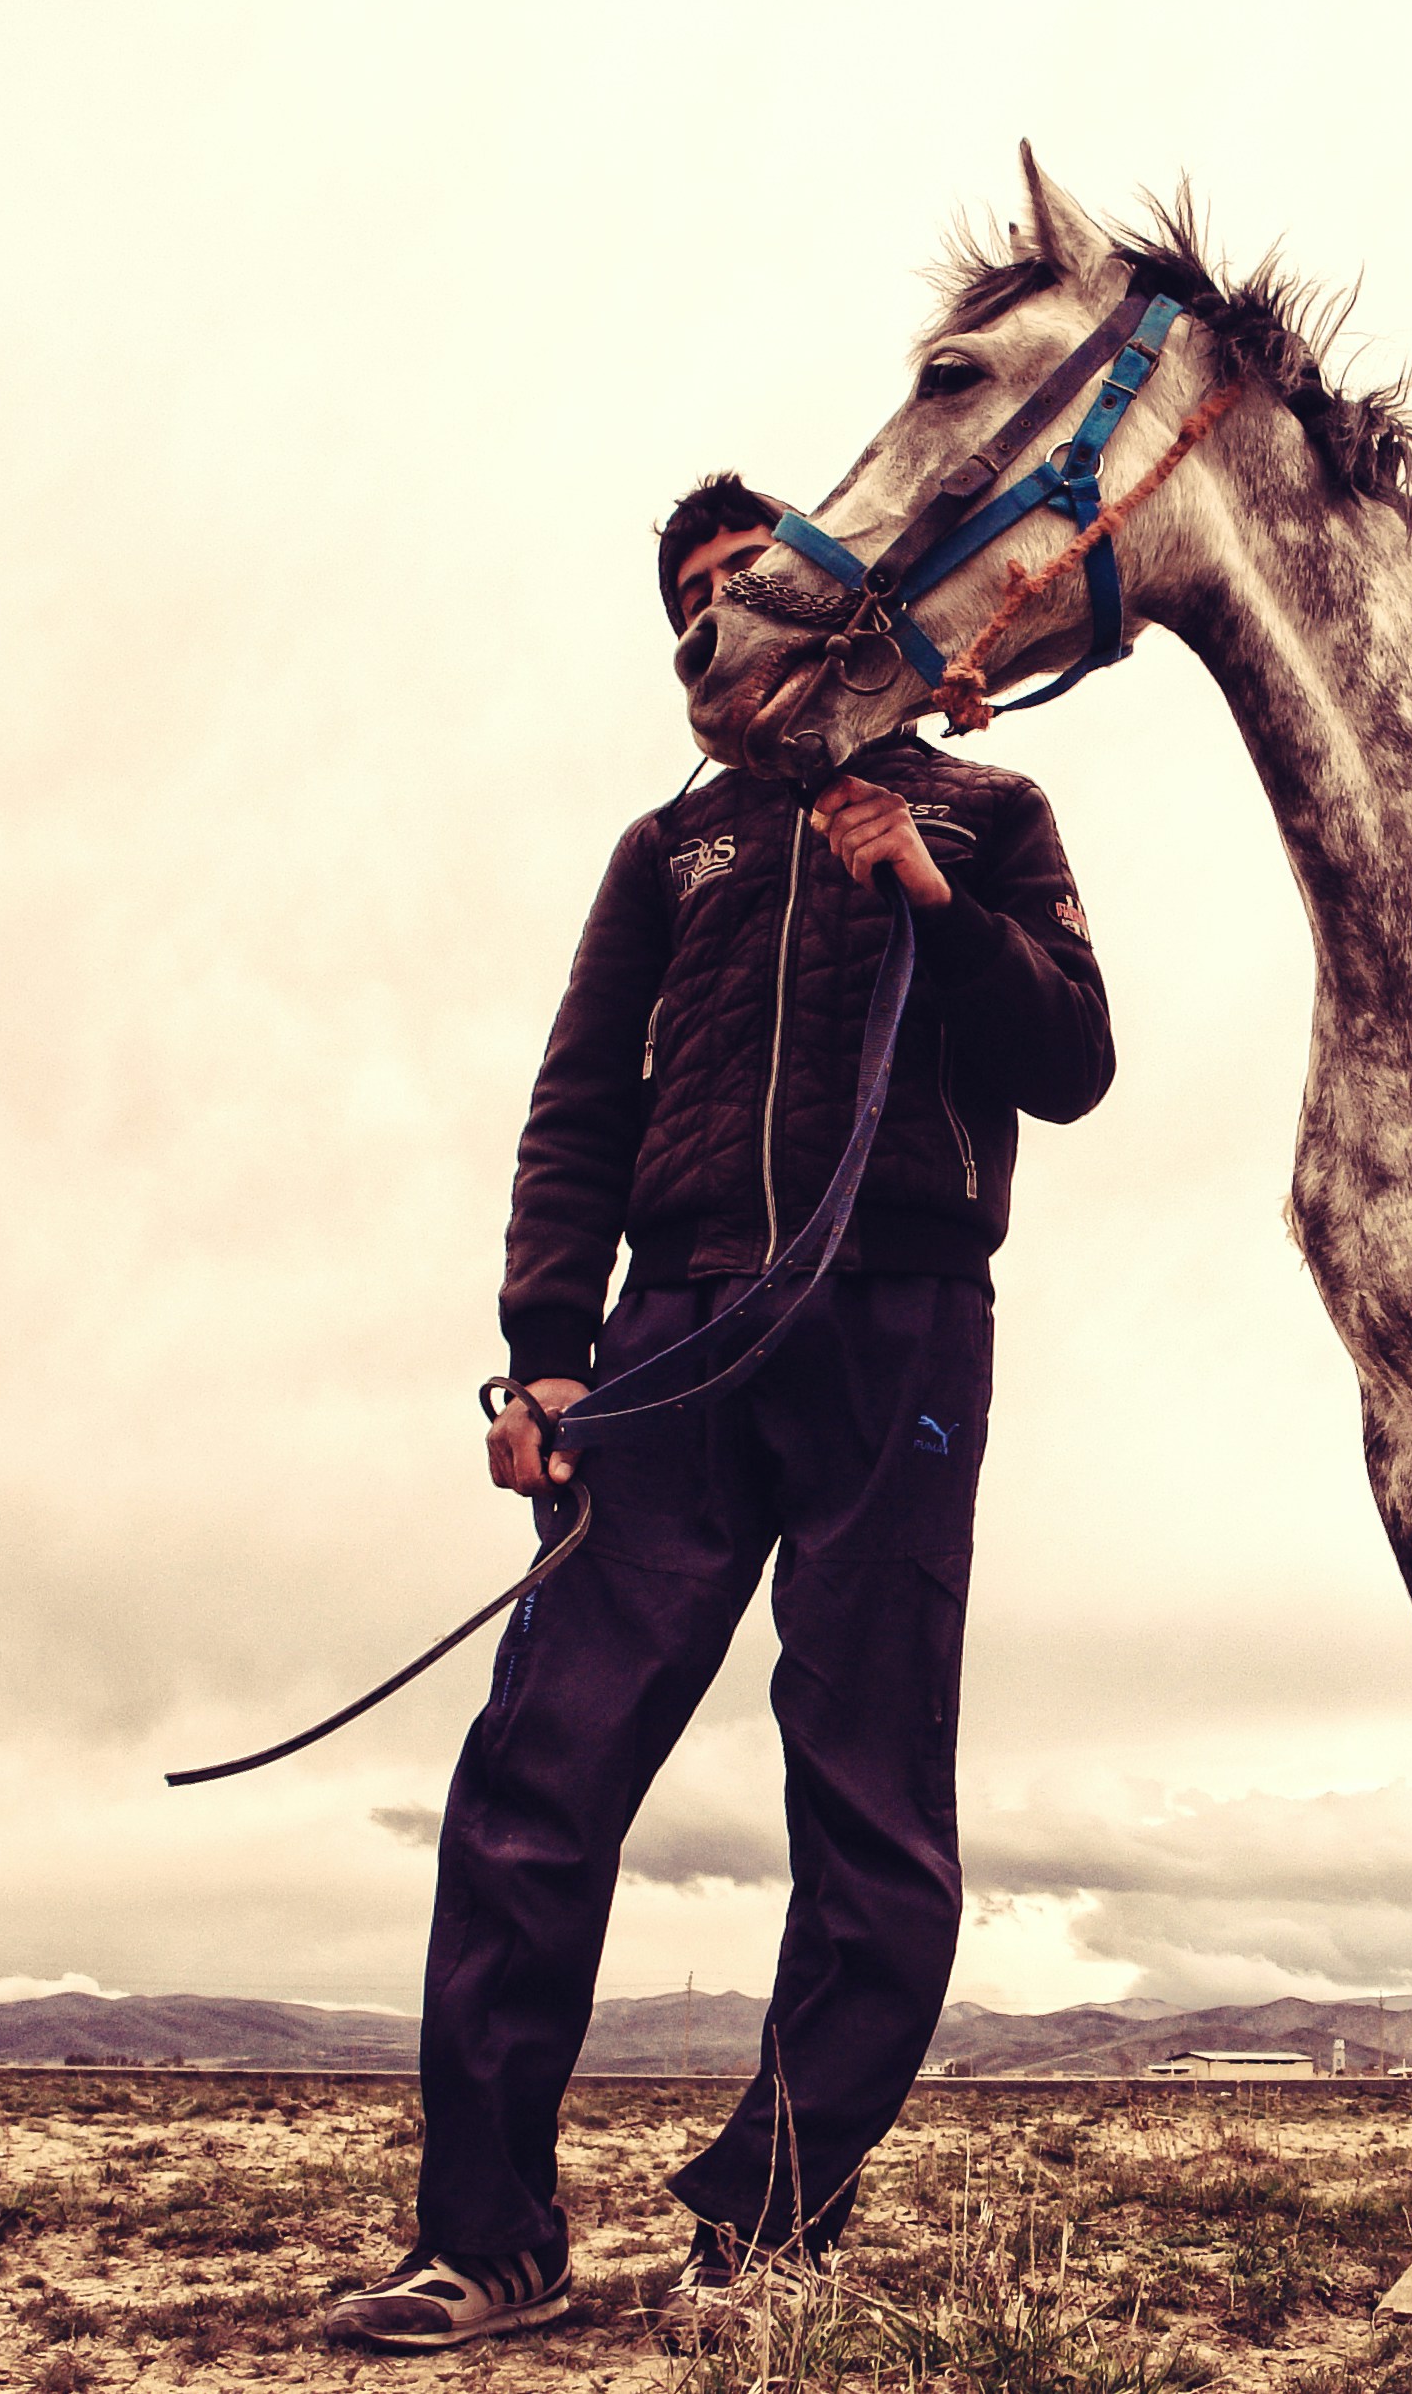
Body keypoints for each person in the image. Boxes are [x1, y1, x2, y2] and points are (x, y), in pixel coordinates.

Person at [326, 471, 1114, 2349]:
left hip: (900, 1332)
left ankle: (763, 2235)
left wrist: (925, 891)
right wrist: (544, 1349)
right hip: (670, 1341)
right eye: (686, 605)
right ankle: (492, 2239)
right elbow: (578, 1108)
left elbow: (1075, 1058)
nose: (714, 623)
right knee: (536, 1777)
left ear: (838, 602)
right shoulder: (659, 851)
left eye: (742, 585)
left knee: (869, 1810)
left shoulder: (988, 810)